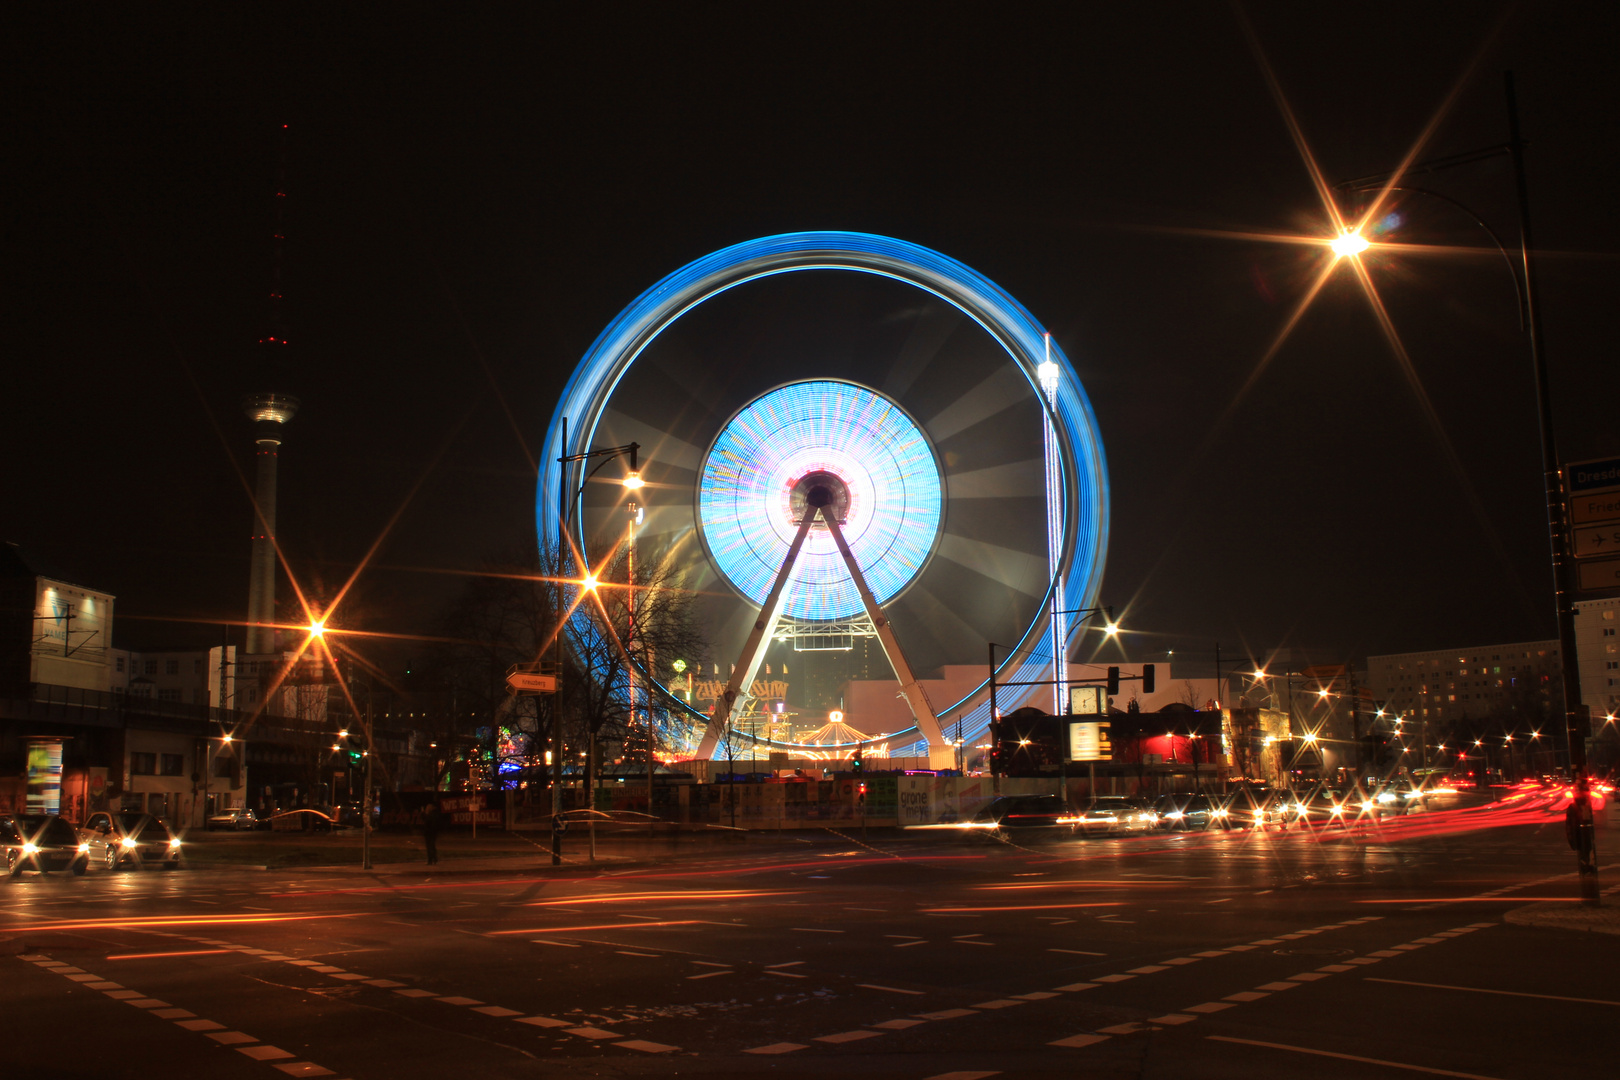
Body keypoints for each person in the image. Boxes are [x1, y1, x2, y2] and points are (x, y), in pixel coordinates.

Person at [422, 800, 441, 865]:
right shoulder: (435, 814)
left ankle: (431, 859)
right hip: (433, 832)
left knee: (429, 846)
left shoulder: (430, 815)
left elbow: (428, 823)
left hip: (429, 832)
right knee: (432, 845)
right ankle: (434, 858)